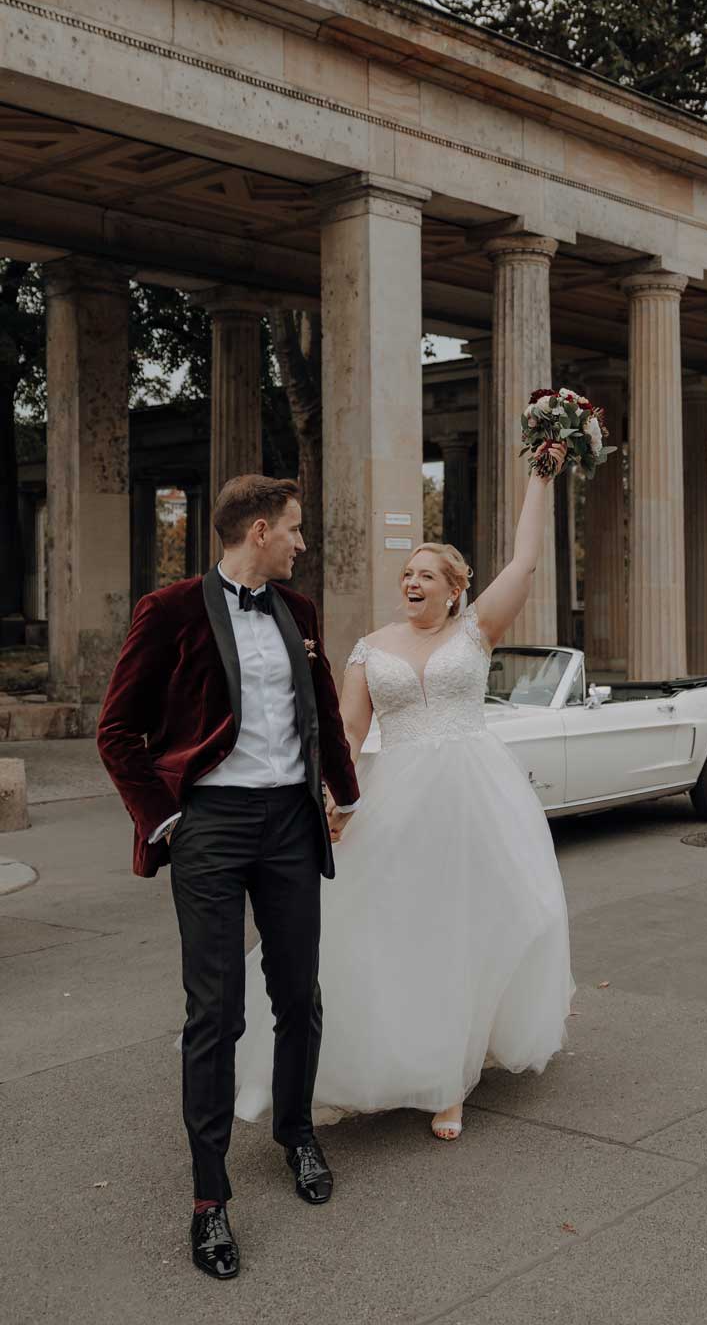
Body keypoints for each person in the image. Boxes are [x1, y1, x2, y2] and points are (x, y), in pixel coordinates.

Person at [234, 445, 574, 1140]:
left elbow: (525, 563)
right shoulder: (369, 646)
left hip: (475, 799)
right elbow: (349, 733)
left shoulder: (477, 631)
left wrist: (540, 480)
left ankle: (448, 1080)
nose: (412, 582)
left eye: (426, 575)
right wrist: (334, 797)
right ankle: (387, 1057)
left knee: (463, 932)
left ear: (454, 589)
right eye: (406, 573)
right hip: (399, 800)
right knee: (397, 934)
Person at [96, 475, 360, 1281]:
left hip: (288, 822)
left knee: (298, 994)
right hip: (209, 823)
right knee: (215, 1011)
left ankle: (296, 1133)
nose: (301, 543)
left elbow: (319, 711)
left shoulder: (300, 614)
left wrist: (345, 793)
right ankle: (210, 1199)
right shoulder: (170, 610)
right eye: (293, 529)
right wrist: (167, 818)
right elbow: (118, 731)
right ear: (255, 530)